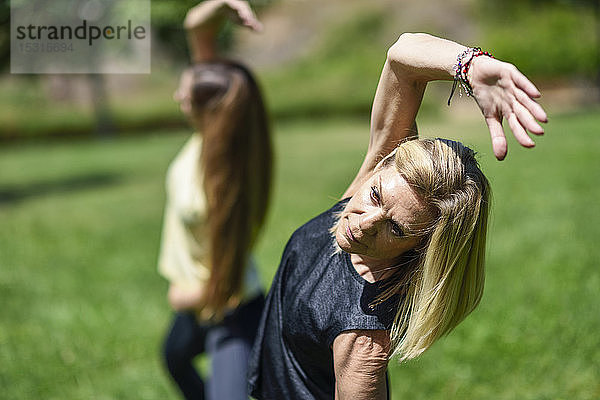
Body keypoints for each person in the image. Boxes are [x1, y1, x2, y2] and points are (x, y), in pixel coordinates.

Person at [248, 32, 547, 399]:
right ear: (379, 167)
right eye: (374, 196)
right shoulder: (373, 182)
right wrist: (471, 65)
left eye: (396, 229)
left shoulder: (361, 341)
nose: (363, 223)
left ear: (422, 247)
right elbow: (402, 56)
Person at [158, 1, 272, 399]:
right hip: (198, 302)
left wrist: (180, 293)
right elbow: (197, 30)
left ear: (212, 112)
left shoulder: (229, 184)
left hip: (232, 309)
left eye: (186, 94)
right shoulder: (211, 135)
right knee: (174, 357)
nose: (178, 96)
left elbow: (226, 282)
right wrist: (220, 5)